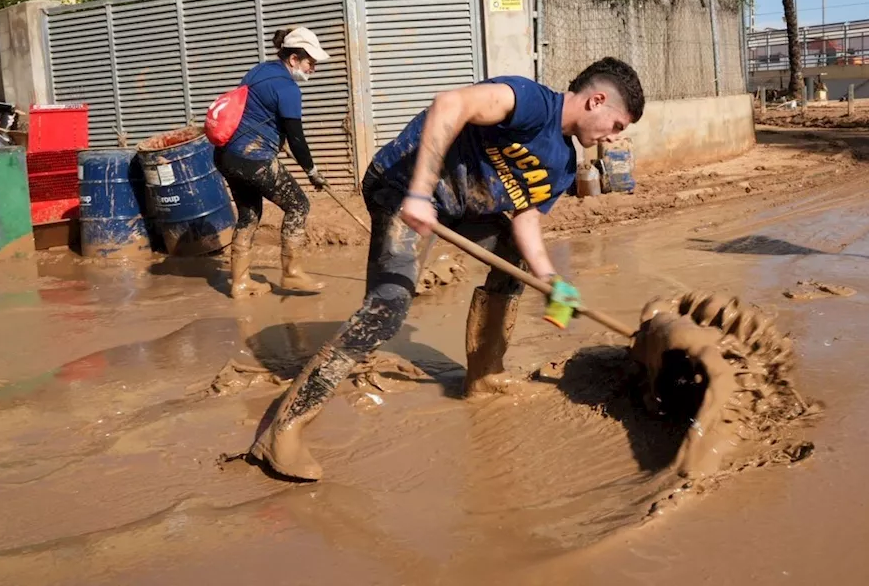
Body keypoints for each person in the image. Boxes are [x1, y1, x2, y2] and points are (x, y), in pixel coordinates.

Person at [249, 57, 645, 480]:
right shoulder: (530, 101)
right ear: (596, 101)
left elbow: (525, 215)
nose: (612, 138)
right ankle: (283, 430)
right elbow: (449, 104)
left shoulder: (563, 166)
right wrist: (420, 192)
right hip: (403, 186)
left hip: (459, 208)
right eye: (617, 125)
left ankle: (484, 376)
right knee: (388, 306)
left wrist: (548, 277)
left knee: (515, 261)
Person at [216, 26, 331, 298]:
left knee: (249, 215)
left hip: (226, 155)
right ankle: (292, 274)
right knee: (298, 204)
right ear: (293, 59)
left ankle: (241, 283)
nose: (313, 67)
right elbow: (297, 138)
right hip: (252, 157)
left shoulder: (261, 70)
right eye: (310, 62)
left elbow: (257, 109)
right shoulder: (288, 89)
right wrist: (312, 171)